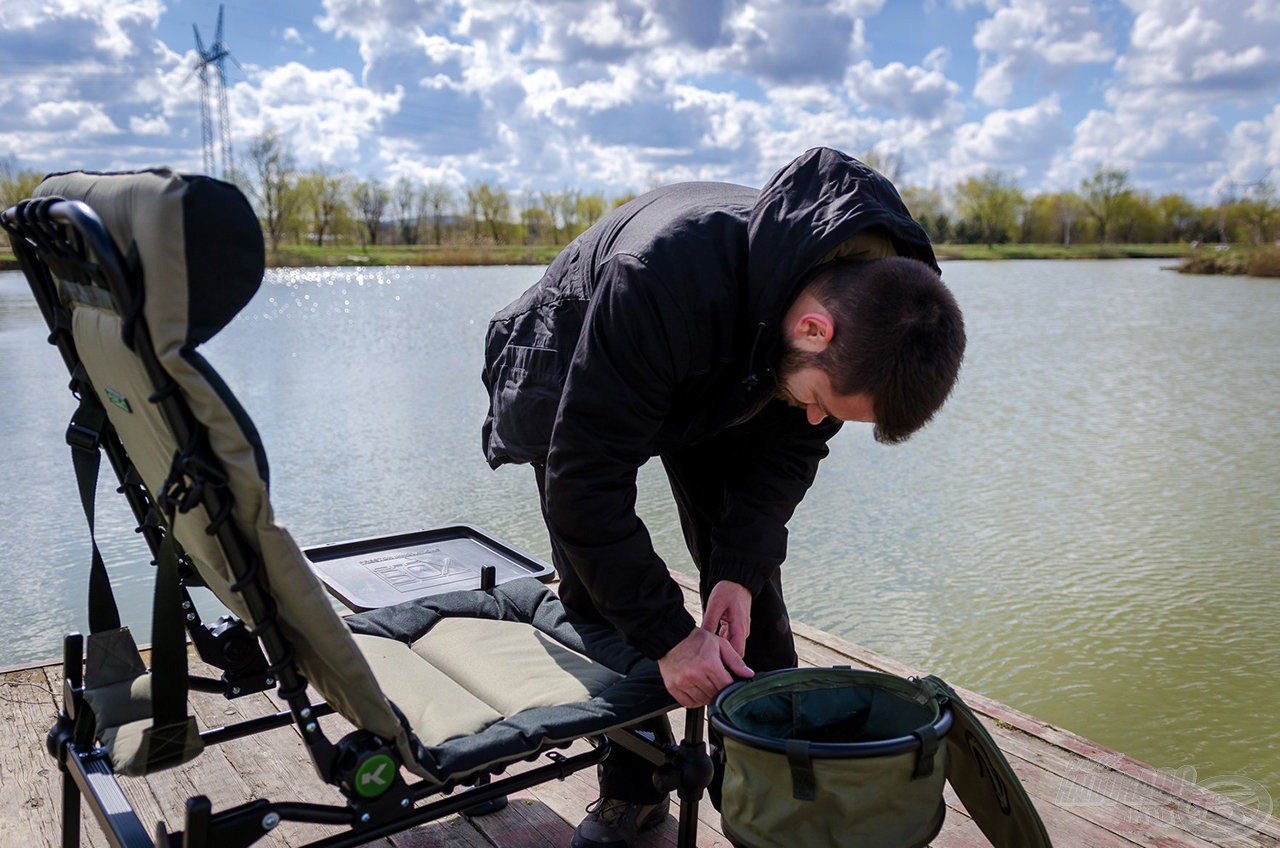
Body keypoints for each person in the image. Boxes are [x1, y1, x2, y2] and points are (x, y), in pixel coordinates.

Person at [480, 147, 965, 848]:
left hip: (735, 363)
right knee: (601, 593)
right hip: (584, 354)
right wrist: (671, 641)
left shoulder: (874, 307)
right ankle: (633, 789)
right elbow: (585, 483)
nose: (815, 422)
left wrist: (736, 570)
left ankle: (774, 788)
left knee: (749, 589)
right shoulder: (657, 279)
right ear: (813, 329)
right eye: (822, 403)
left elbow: (786, 460)